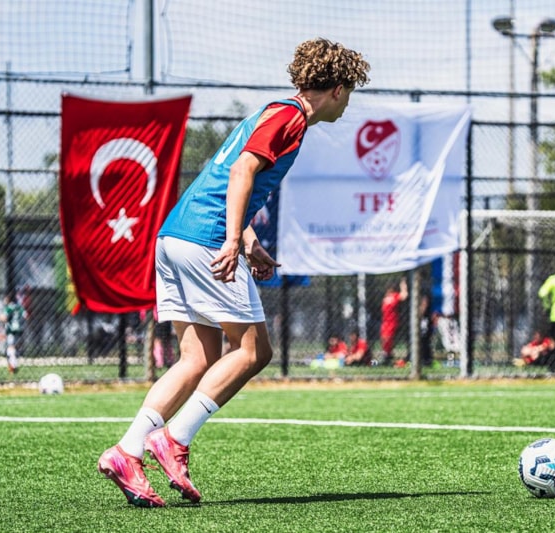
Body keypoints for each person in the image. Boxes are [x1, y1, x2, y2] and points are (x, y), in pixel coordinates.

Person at [97, 38, 371, 507]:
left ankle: (127, 451)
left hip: (174, 237)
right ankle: (174, 439)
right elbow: (243, 170)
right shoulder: (291, 119)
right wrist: (229, 240)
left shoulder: (271, 112)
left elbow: (224, 180)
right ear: (338, 90)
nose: (347, 105)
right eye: (350, 95)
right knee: (254, 351)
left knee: (196, 358)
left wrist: (247, 239)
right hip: (205, 239)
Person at [0, 290, 26, 374]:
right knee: (15, 347)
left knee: (10, 348)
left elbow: (4, 318)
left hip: (11, 330)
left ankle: (13, 366)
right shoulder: (19, 307)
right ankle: (13, 364)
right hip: (19, 329)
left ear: (8, 299)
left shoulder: (9, 307)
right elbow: (25, 316)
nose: (4, 300)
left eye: (5, 298)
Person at [380, 278, 408, 366]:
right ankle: (386, 356)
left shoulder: (395, 296)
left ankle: (388, 357)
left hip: (392, 322)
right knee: (384, 340)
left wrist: (403, 285)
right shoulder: (385, 298)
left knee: (388, 339)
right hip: (385, 322)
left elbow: (404, 295)